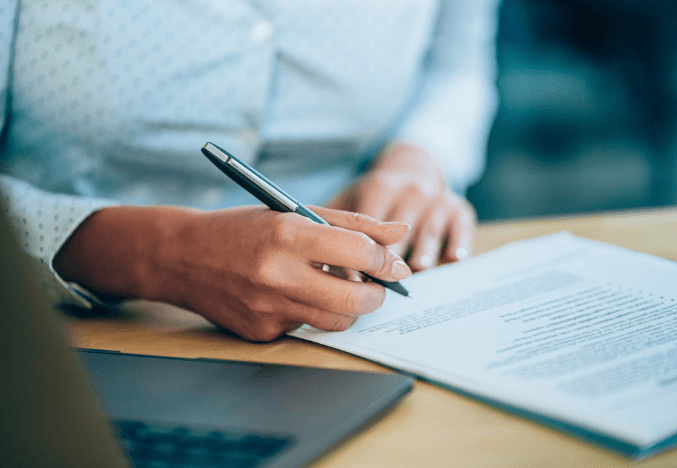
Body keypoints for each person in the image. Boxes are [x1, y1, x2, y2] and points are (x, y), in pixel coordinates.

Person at [0, 0, 499, 341]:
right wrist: (163, 255)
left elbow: (454, 66)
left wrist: (418, 159)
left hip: (334, 329)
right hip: (55, 328)